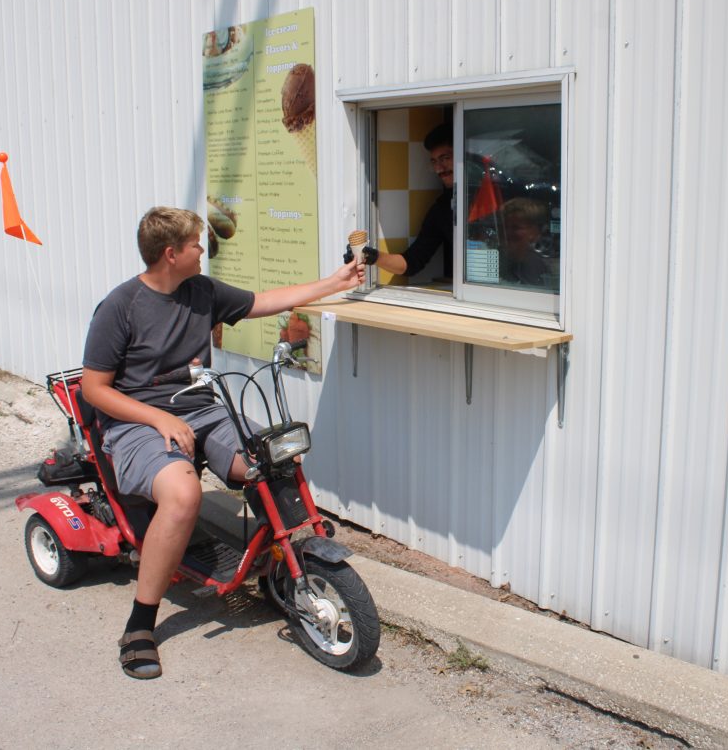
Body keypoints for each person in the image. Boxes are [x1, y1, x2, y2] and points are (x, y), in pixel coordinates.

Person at [80, 206, 364, 680]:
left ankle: (285, 567)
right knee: (184, 494)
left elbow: (266, 300)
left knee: (273, 457)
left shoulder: (202, 292)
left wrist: (334, 283)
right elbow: (94, 388)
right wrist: (156, 418)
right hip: (133, 424)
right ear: (171, 254)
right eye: (196, 244)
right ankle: (140, 625)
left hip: (202, 410)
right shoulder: (120, 307)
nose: (203, 251)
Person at [347, 122, 455, 280]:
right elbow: (412, 262)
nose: (439, 169)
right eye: (434, 162)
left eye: (445, 158)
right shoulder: (443, 209)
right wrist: (372, 256)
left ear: (463, 155)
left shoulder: (496, 192)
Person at [498, 197, 551, 287]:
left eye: (516, 227)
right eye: (504, 226)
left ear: (534, 232)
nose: (507, 232)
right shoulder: (500, 258)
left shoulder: (534, 265)